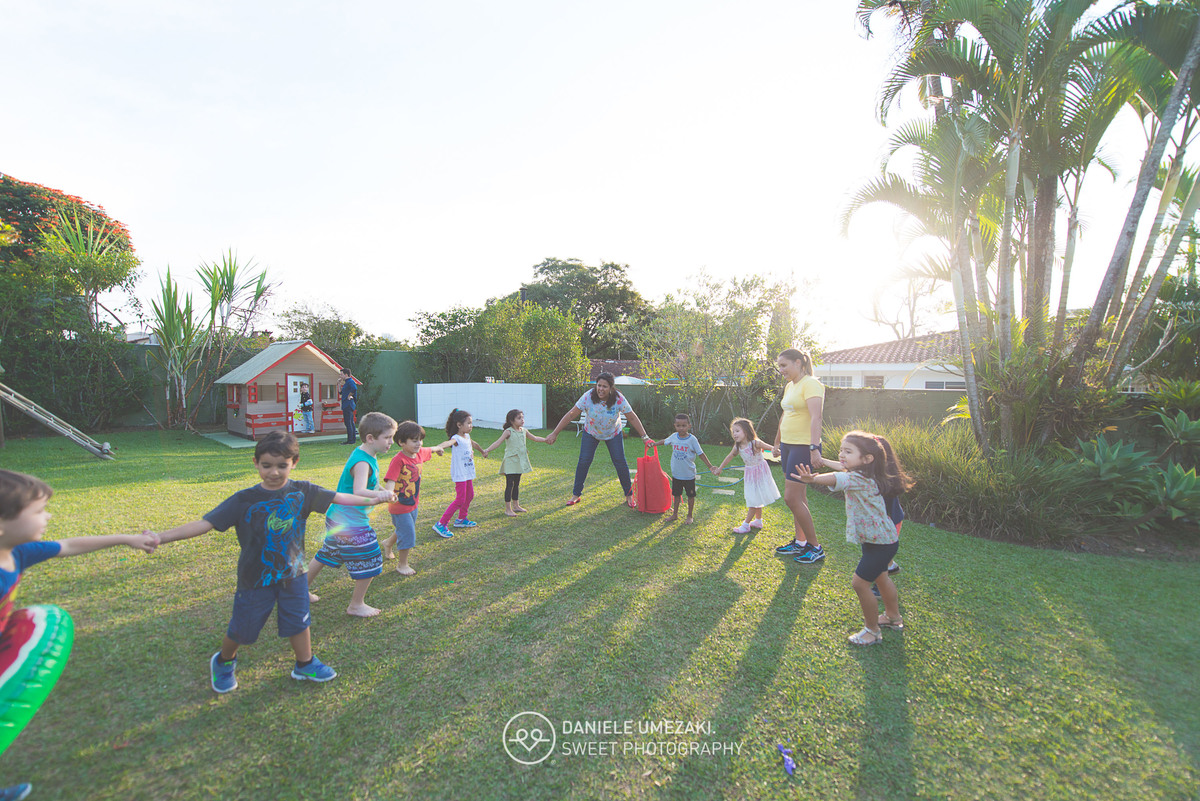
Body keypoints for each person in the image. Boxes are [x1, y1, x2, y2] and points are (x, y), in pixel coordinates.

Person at [146, 431, 391, 693]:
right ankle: (224, 661)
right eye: (266, 465)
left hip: (294, 575)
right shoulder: (244, 500)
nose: (274, 472)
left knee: (299, 622)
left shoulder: (303, 491)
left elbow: (340, 497)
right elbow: (205, 524)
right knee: (243, 629)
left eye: (282, 466)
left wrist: (375, 497)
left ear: (294, 463)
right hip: (255, 578)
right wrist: (161, 537)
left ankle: (304, 663)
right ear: (256, 463)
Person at [1, 470, 157, 799]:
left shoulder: (17, 553)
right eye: (39, 511)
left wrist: (128, 538)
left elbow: (69, 545)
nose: (48, 516)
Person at [791, 430, 912, 645]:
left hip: (880, 543)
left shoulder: (859, 478)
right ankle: (893, 617)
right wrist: (823, 467)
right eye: (841, 450)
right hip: (881, 540)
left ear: (867, 459)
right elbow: (841, 471)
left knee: (860, 584)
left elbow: (839, 477)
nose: (841, 454)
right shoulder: (868, 474)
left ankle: (872, 631)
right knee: (881, 578)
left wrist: (813, 479)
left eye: (848, 451)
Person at [307, 412, 397, 617]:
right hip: (350, 522)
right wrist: (380, 496)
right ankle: (356, 605)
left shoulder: (366, 454)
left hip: (338, 518)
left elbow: (371, 482)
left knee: (327, 553)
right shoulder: (362, 462)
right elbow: (359, 490)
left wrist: (383, 491)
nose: (391, 442)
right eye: (388, 437)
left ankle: (299, 591)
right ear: (371, 438)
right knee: (371, 558)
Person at [544, 372, 654, 507]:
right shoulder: (588, 397)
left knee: (620, 462)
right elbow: (571, 414)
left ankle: (629, 495)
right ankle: (576, 494)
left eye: (605, 386)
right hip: (591, 432)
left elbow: (632, 417)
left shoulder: (618, 399)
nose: (601, 389)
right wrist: (554, 433)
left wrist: (644, 436)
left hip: (613, 433)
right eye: (599, 385)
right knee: (584, 461)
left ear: (611, 388)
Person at [770, 349, 827, 564]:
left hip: (803, 446)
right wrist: (777, 442)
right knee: (799, 498)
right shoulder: (790, 386)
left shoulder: (811, 384)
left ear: (798, 363)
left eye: (784, 365)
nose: (781, 370)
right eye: (779, 366)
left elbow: (816, 417)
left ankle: (815, 547)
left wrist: (814, 448)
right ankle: (800, 542)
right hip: (788, 445)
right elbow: (785, 415)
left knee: (791, 498)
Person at [380, 421, 444, 575]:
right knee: (408, 533)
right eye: (414, 440)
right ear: (401, 442)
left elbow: (430, 449)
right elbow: (391, 480)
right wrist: (389, 493)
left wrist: (438, 449)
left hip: (413, 503)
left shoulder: (419, 453)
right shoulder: (398, 460)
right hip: (399, 504)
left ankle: (388, 543)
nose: (419, 443)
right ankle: (402, 565)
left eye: (420, 440)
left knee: (404, 529)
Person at [713, 417, 781, 533]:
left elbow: (771, 448)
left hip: (760, 472)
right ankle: (758, 521)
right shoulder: (737, 447)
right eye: (733, 431)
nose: (734, 434)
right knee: (754, 496)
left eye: (737, 431)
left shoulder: (755, 443)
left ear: (746, 431)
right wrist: (720, 468)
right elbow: (729, 456)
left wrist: (776, 451)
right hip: (750, 474)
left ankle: (746, 525)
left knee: (753, 499)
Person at [430, 409, 488, 538]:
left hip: (467, 471)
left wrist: (482, 451)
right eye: (468, 423)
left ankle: (461, 519)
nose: (471, 426)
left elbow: (474, 444)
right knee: (460, 499)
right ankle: (441, 523)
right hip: (460, 473)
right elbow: (448, 443)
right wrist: (439, 447)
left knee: (470, 495)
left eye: (471, 423)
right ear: (459, 425)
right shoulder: (456, 438)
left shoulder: (467, 437)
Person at [481, 409, 548, 516]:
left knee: (516, 484)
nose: (522, 420)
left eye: (522, 417)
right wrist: (487, 450)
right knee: (510, 484)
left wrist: (546, 440)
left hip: (519, 461)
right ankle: (508, 509)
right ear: (512, 421)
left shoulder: (524, 430)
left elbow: (535, 438)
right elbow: (498, 442)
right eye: (519, 418)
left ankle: (516, 506)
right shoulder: (508, 431)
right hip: (510, 461)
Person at [654, 413, 714, 524]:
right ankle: (675, 514)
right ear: (674, 426)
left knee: (690, 496)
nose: (681, 428)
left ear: (689, 426)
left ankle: (689, 515)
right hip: (676, 474)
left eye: (684, 425)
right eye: (678, 425)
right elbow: (664, 441)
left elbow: (700, 453)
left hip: (688, 475)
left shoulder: (692, 440)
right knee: (676, 495)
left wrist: (710, 466)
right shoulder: (673, 437)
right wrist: (654, 444)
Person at [338, 368, 358, 444]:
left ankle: (350, 440)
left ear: (346, 374)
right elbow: (340, 392)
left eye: (341, 374)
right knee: (349, 422)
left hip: (348, 404)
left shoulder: (350, 381)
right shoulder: (346, 383)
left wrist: (349, 395)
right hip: (346, 404)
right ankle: (352, 439)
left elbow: (354, 389)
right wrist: (339, 384)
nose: (340, 376)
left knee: (348, 422)